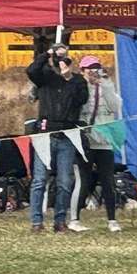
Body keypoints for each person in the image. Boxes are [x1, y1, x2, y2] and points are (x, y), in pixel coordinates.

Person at [26, 43, 88, 233]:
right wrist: (48, 53)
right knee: (39, 180)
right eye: (60, 59)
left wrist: (68, 77)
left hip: (67, 136)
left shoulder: (77, 81)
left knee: (64, 181)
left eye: (66, 60)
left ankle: (60, 221)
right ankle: (36, 222)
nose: (63, 63)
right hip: (45, 134)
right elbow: (32, 70)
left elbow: (82, 99)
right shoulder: (45, 78)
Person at [69, 56, 123, 233]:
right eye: (89, 69)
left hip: (104, 140)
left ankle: (112, 220)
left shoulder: (106, 86)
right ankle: (74, 219)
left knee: (108, 180)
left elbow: (116, 107)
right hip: (85, 140)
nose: (93, 72)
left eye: (96, 68)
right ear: (82, 70)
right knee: (83, 180)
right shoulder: (79, 86)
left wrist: (106, 85)